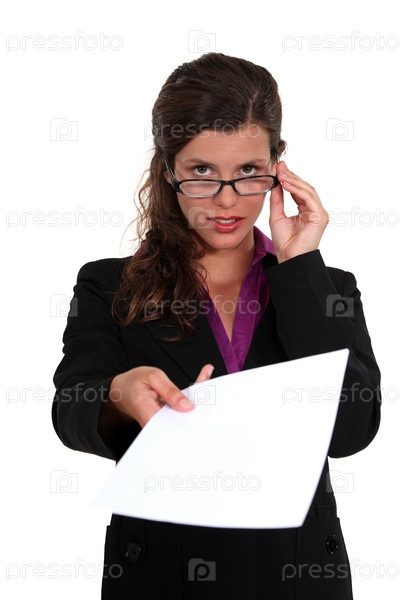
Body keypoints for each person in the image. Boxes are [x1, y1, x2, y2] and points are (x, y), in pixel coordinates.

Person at [52, 52, 381, 600]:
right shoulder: (109, 284)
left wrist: (300, 270)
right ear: (169, 170)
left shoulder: (328, 288)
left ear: (278, 167)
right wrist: (118, 394)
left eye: (249, 172)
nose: (227, 201)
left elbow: (352, 432)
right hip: (162, 576)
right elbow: (70, 410)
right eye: (202, 172)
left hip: (298, 578)